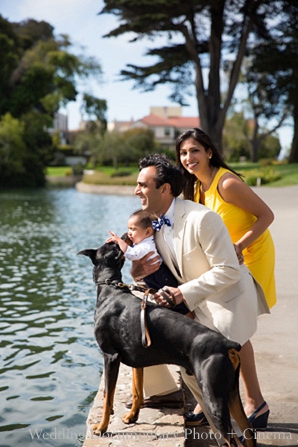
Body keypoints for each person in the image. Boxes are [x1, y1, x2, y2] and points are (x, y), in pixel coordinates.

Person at [130, 154, 270, 439]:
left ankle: (233, 425)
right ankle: (223, 429)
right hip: (195, 305)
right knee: (186, 367)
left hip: (226, 301)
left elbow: (229, 270)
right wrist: (135, 272)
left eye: (143, 185)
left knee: (206, 364)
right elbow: (140, 268)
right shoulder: (150, 224)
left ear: (165, 189)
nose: (136, 191)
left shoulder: (202, 218)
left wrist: (182, 293)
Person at [175, 128, 276, 426]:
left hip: (250, 257)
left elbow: (267, 215)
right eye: (183, 153)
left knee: (234, 329)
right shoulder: (194, 188)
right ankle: (220, 400)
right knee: (221, 328)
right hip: (224, 262)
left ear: (208, 151)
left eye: (194, 150)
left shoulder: (227, 183)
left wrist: (239, 246)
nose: (188, 158)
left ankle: (252, 401)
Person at [107, 209, 193, 317]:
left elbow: (132, 254)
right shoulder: (143, 242)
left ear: (147, 232)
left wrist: (119, 241)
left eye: (133, 229)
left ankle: (189, 316)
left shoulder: (146, 245)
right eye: (129, 228)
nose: (129, 233)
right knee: (164, 299)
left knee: (170, 299)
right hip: (155, 275)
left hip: (158, 275)